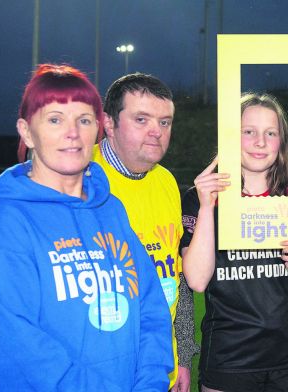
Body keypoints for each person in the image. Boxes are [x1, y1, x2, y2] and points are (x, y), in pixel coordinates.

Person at [0, 64, 173, 390]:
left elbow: (151, 309)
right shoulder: (5, 222)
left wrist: (150, 384)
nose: (72, 133)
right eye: (55, 119)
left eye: (84, 120)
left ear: (97, 129)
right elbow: (15, 347)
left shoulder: (111, 208)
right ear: (26, 131)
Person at [181, 93, 288, 392]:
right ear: (230, 137)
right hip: (228, 360)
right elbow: (196, 280)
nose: (260, 142)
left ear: (281, 142)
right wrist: (208, 207)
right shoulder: (201, 199)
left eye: (270, 133)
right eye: (248, 131)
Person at [92, 73, 198, 391]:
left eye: (165, 122)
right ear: (109, 123)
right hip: (102, 374)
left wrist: (181, 357)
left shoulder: (166, 182)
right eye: (142, 119)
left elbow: (176, 278)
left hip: (160, 369)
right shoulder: (81, 179)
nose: (156, 131)